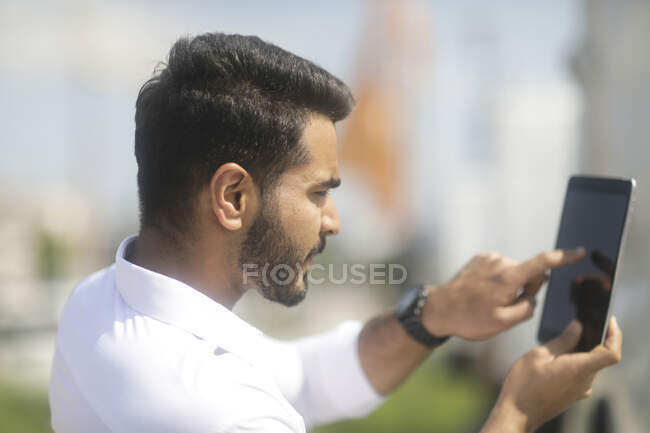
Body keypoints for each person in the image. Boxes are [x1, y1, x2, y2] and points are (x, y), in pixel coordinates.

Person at [48, 32, 622, 433]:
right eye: (319, 192)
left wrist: (434, 312)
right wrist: (519, 411)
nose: (334, 221)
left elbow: (308, 378)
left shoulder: (99, 300)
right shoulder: (219, 413)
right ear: (232, 197)